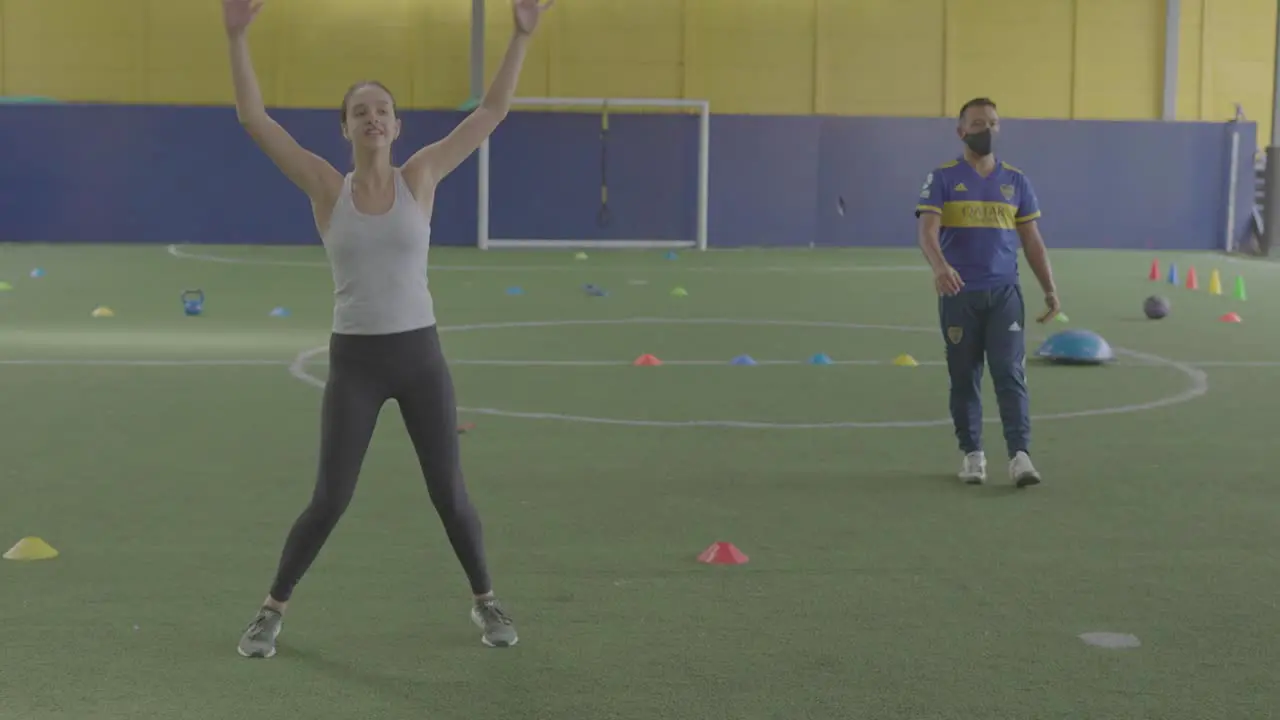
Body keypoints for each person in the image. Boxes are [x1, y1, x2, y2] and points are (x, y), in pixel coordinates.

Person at [221, 0, 555, 657]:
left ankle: (486, 602)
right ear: (346, 127)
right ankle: (270, 610)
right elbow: (254, 120)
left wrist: (520, 35)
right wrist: (236, 37)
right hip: (356, 366)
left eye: (381, 110)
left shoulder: (420, 177)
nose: (372, 118)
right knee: (330, 498)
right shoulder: (325, 187)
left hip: (420, 358)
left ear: (396, 125)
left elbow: (490, 113)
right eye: (360, 111)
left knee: (450, 495)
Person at [914, 97, 1061, 488]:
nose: (987, 130)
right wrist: (941, 267)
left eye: (993, 123)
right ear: (961, 131)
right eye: (978, 124)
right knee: (964, 377)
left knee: (1009, 373)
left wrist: (1049, 288)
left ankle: (1020, 456)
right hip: (959, 295)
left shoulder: (1016, 182)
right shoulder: (942, 178)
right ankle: (973, 454)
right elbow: (927, 232)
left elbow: (1032, 241)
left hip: (1004, 294)